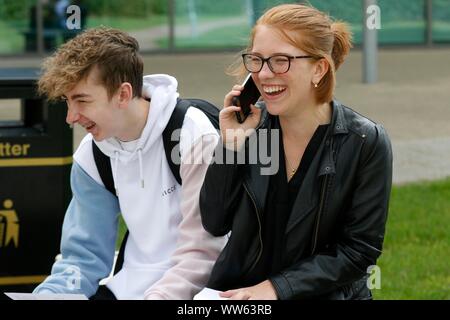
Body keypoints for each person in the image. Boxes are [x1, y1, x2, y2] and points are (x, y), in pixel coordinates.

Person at [199, 4, 393, 300]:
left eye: (280, 61)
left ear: (319, 68)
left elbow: (359, 250)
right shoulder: (248, 130)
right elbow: (214, 222)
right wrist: (231, 146)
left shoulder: (365, 142)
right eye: (257, 60)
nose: (264, 74)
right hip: (241, 294)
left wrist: (277, 289)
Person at [33, 27, 226, 299]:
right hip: (128, 289)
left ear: (123, 94)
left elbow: (205, 252)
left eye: (82, 101)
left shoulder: (193, 134)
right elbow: (82, 259)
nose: (71, 117)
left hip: (201, 292)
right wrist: (50, 295)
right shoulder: (92, 155)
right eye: (67, 101)